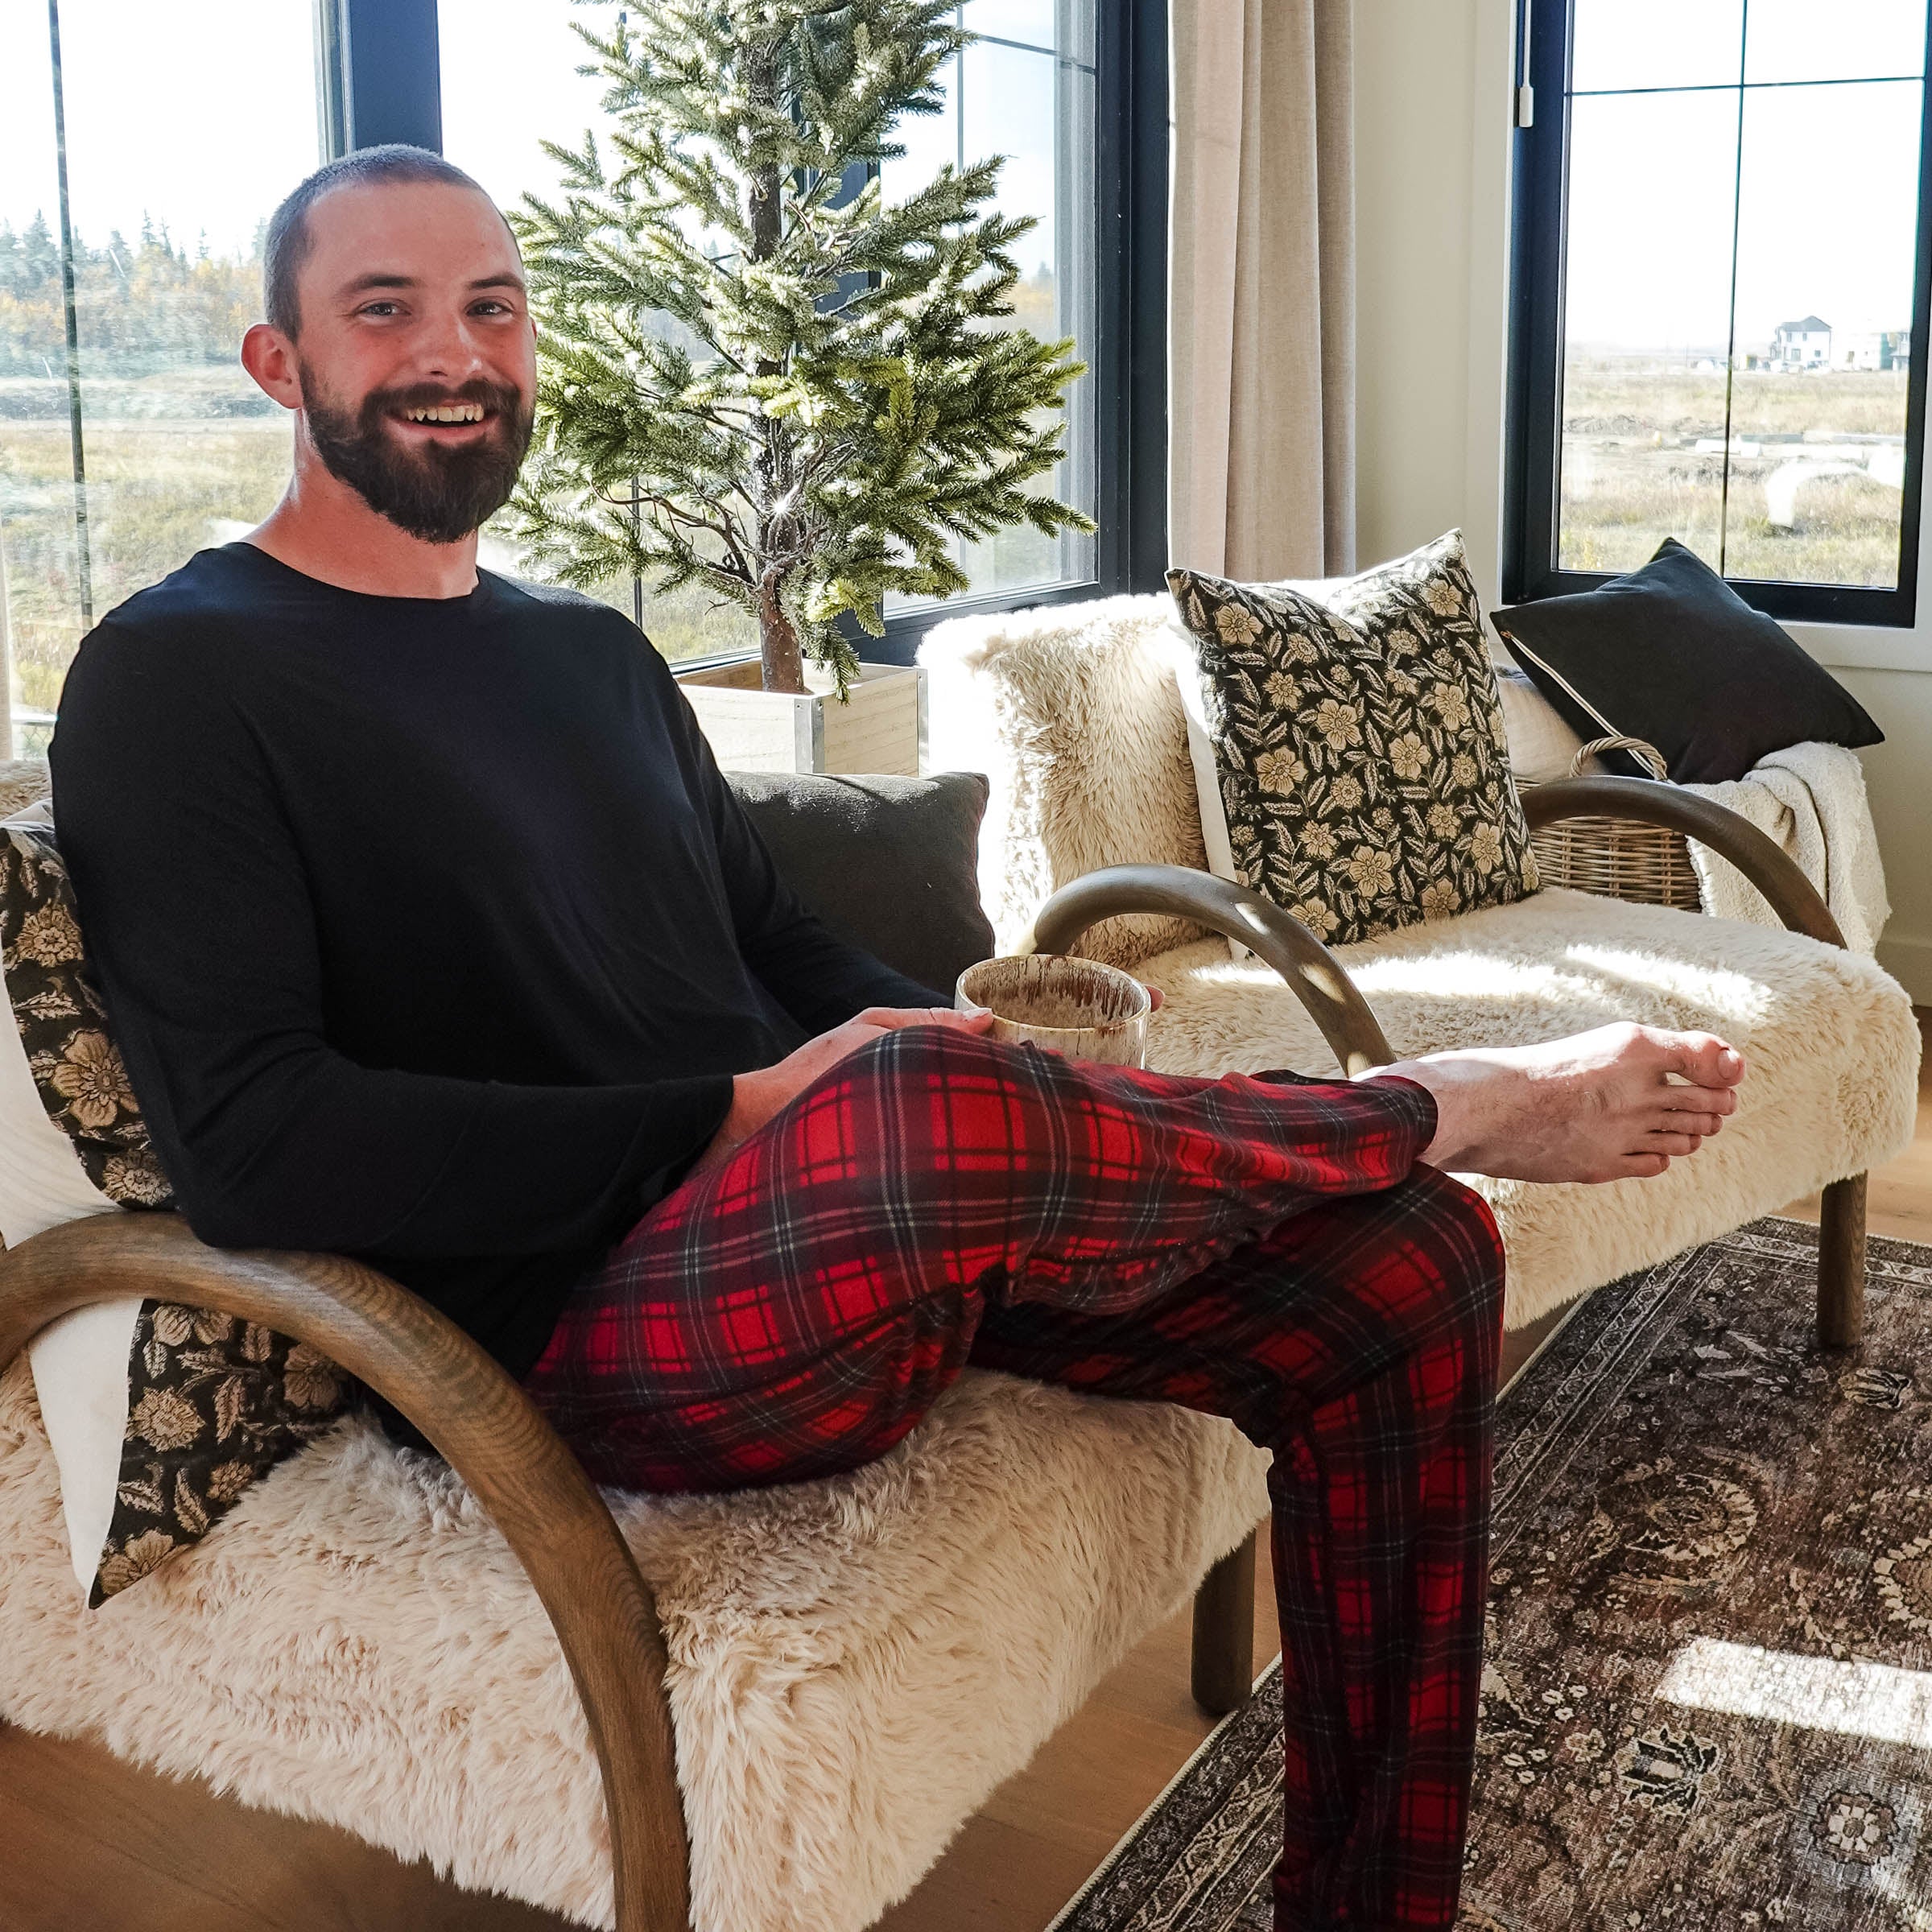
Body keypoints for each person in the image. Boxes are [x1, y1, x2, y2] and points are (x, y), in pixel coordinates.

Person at [48, 147, 1744, 1932]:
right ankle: (1428, 1099)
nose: (454, 351)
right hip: (575, 1324)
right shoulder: (177, 675)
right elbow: (257, 1141)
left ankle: (1367, 1907)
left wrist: (979, 1056)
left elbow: (772, 944)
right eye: (382, 311)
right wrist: (756, 1109)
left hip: (838, 1223)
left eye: (492, 305)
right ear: (275, 361)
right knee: (929, 1100)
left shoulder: (590, 656)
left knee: (1409, 1259)